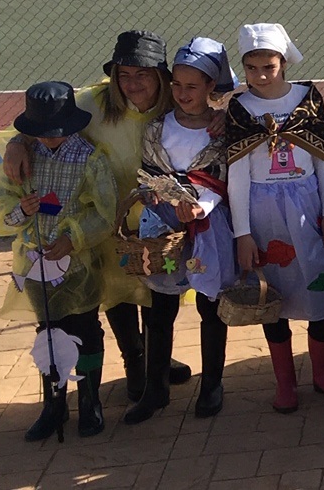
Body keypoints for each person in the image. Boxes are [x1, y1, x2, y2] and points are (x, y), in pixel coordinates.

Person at [1, 30, 186, 404]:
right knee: (118, 295)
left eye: (143, 74)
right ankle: (135, 361)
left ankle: (156, 362)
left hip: (159, 224)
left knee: (161, 296)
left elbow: (214, 108)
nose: (132, 83)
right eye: (124, 75)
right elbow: (37, 122)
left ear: (162, 76)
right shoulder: (93, 104)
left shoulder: (177, 104)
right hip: (104, 223)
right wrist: (18, 143)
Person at [0, 82, 117, 440]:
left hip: (78, 264)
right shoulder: (26, 157)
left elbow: (103, 211)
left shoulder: (91, 158)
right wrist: (18, 212)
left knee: (85, 328)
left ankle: (90, 401)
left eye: (54, 133)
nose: (48, 140)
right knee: (48, 331)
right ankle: (53, 403)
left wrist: (73, 238)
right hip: (35, 262)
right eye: (40, 134)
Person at [226, 24, 324, 413]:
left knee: (320, 291)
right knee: (270, 295)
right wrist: (243, 233)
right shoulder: (240, 109)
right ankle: (284, 383)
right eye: (252, 67)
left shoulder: (307, 99)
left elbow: (323, 160)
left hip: (307, 206)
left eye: (270, 67)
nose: (261, 76)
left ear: (283, 64)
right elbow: (238, 175)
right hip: (264, 214)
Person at [124, 38, 239, 423]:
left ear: (211, 87)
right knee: (159, 312)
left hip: (208, 227)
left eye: (193, 86)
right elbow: (149, 174)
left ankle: (212, 386)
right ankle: (155, 389)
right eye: (177, 85)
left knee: (211, 307)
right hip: (163, 229)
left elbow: (224, 177)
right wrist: (168, 202)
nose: (182, 94)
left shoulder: (224, 130)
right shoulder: (157, 128)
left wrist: (199, 206)